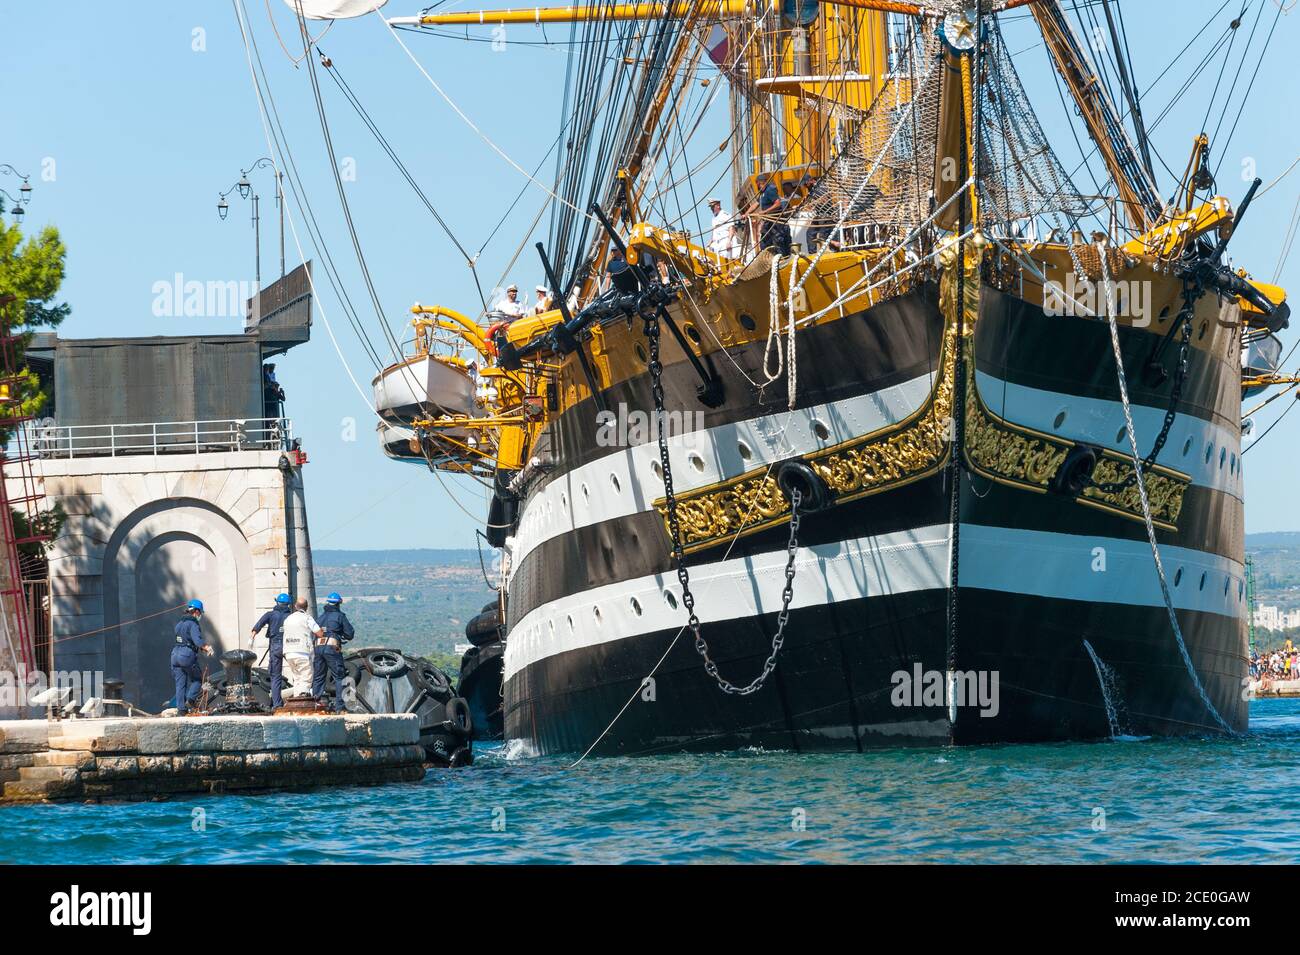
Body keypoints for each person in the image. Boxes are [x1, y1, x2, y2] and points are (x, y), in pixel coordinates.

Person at [312, 592, 356, 712]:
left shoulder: (320, 618)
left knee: (318, 677)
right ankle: (340, 708)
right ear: (338, 604)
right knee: (339, 677)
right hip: (332, 649)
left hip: (318, 648)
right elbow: (350, 634)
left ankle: (316, 706)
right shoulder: (339, 616)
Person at [250, 593, 292, 709]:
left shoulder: (271, 614)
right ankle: (299, 700)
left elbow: (258, 626)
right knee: (297, 673)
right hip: (290, 645)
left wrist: (251, 638)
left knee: (275, 676)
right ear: (288, 604)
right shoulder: (292, 616)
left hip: (275, 646)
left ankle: (277, 704)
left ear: (277, 602)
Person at [171, 599, 213, 715]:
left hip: (175, 655)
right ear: (196, 611)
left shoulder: (179, 624)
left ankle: (181, 710)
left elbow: (184, 639)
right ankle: (190, 700)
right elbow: (197, 640)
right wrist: (206, 647)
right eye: (200, 613)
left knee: (180, 684)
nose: (200, 615)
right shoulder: (193, 624)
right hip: (186, 655)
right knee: (198, 679)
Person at [281, 597, 324, 701]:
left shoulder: (288, 619)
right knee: (306, 677)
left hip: (289, 653)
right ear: (306, 607)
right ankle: (303, 700)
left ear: (295, 606)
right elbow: (319, 633)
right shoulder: (307, 618)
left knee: (297, 678)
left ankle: (296, 699)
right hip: (302, 652)